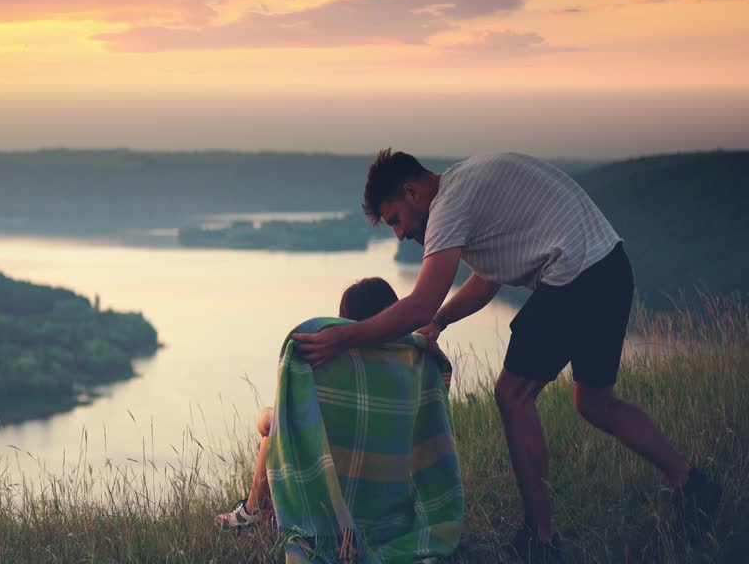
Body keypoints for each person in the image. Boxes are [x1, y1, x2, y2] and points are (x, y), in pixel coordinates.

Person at [290, 150, 722, 563]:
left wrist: (347, 339)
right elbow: (486, 279)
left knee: (512, 395)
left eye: (396, 220)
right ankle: (690, 483)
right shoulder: (467, 188)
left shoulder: (449, 204)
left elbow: (420, 302)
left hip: (576, 276)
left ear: (412, 191)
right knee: (594, 401)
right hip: (610, 267)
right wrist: (441, 321)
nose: (400, 234)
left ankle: (541, 541)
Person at [216, 276, 400, 530]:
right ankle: (254, 512)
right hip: (392, 489)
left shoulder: (339, 368)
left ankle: (251, 512)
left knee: (273, 427)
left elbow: (282, 422)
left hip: (337, 485)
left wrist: (265, 418)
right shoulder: (409, 366)